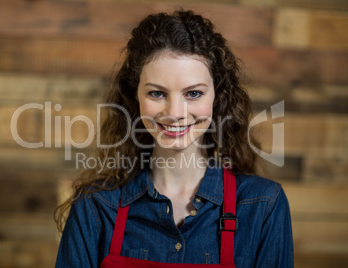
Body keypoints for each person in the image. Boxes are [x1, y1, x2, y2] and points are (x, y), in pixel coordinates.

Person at [55, 10, 294, 267]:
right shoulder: (96, 207)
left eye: (193, 93)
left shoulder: (262, 206)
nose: (174, 114)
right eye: (157, 93)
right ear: (134, 96)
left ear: (218, 96)